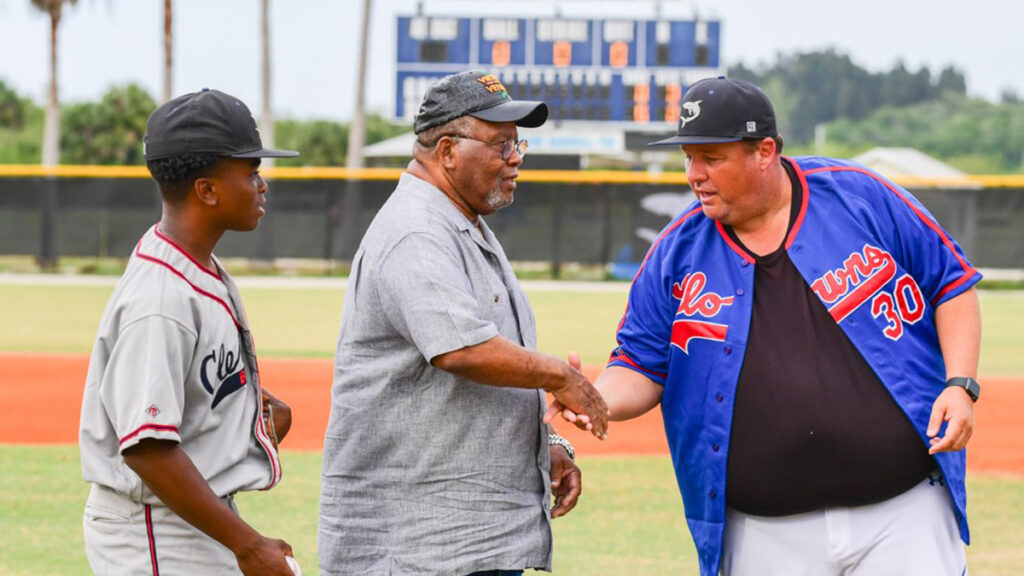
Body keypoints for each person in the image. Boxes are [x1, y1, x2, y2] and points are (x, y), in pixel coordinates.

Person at [548, 77, 982, 576]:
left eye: (712, 158)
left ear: (764, 151)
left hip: (903, 514)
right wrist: (595, 397)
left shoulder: (858, 196)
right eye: (689, 158)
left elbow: (951, 281)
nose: (695, 174)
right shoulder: (676, 251)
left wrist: (961, 384)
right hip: (762, 533)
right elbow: (640, 364)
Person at [317, 70, 609, 576]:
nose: (515, 157)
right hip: (418, 550)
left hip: (461, 540)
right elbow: (462, 351)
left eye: (518, 144)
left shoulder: (456, 219)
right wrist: (560, 375)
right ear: (448, 151)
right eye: (500, 145)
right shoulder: (416, 230)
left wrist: (546, 449)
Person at [79, 88, 301, 576]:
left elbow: (190, 387)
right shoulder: (160, 301)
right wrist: (249, 546)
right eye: (250, 172)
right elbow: (147, 449)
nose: (262, 185)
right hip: (154, 531)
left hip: (187, 519)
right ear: (207, 189)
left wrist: (246, 415)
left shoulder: (194, 266)